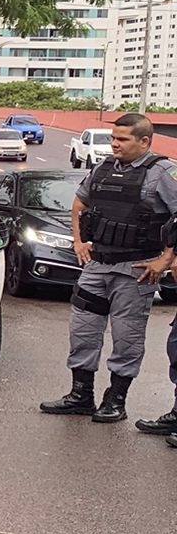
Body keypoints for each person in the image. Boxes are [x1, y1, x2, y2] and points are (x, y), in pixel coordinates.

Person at [40, 114, 177, 423]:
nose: (115, 143)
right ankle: (80, 395)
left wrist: (165, 260)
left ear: (144, 141)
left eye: (123, 139)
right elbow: (79, 205)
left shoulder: (163, 173)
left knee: (127, 338)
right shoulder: (101, 169)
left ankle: (116, 400)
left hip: (135, 270)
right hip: (96, 265)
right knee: (83, 332)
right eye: (114, 137)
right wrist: (79, 242)